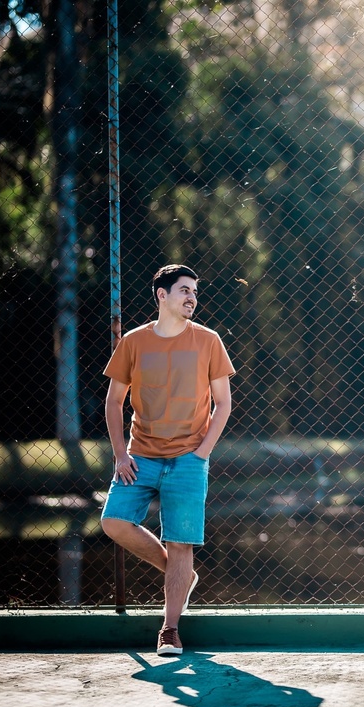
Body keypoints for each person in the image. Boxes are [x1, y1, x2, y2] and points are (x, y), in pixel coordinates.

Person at [100, 264, 234, 656]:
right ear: (162, 295)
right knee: (114, 522)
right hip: (140, 456)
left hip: (189, 459)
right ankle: (181, 576)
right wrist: (120, 454)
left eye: (194, 291)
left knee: (181, 543)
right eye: (184, 290)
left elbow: (223, 403)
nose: (192, 297)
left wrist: (202, 452)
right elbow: (113, 401)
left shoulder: (209, 341)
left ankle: (169, 630)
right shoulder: (133, 343)